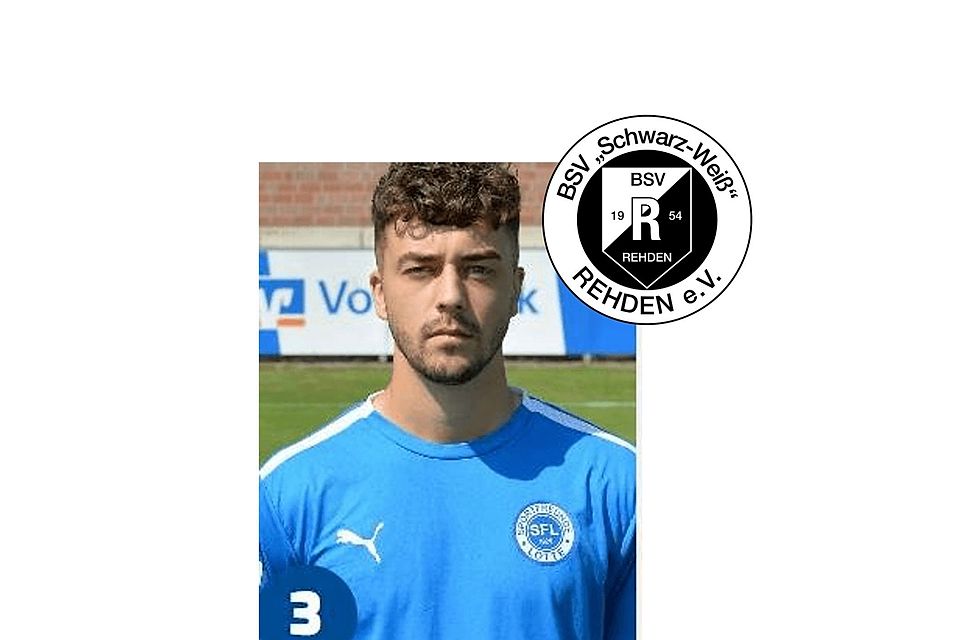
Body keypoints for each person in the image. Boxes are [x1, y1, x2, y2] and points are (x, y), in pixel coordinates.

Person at [259, 163, 636, 639]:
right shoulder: (287, 497)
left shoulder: (618, 485)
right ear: (380, 293)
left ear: (516, 288)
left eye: (479, 269)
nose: (450, 296)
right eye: (421, 269)